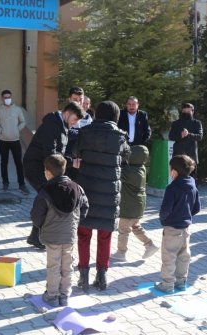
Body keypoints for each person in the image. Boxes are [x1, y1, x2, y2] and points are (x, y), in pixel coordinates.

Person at [73, 101, 130, 292]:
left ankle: (83, 276)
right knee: (105, 235)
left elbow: (76, 154)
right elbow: (127, 158)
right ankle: (102, 275)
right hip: (109, 192)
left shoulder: (85, 132)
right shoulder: (120, 136)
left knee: (84, 234)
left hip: (87, 189)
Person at [22, 101, 85, 249]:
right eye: (75, 119)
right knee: (48, 199)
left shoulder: (61, 125)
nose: (75, 124)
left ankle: (35, 236)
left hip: (46, 167)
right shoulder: (52, 125)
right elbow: (50, 155)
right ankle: (36, 236)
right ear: (67, 114)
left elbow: (58, 152)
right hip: (37, 167)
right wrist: (71, 162)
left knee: (47, 199)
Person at [31, 154, 88, 307]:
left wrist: (43, 226)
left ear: (48, 172)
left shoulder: (45, 191)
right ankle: (64, 295)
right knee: (67, 265)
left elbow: (36, 216)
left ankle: (52, 295)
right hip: (69, 235)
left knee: (53, 266)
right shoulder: (77, 187)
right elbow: (85, 208)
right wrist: (75, 223)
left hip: (52, 236)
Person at [154, 155, 200, 293]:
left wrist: (164, 220)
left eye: (170, 169)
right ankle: (181, 282)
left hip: (172, 229)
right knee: (183, 256)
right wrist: (186, 216)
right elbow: (197, 207)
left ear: (174, 171)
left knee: (169, 257)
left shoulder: (172, 188)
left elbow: (165, 210)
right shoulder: (192, 185)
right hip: (186, 228)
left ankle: (167, 285)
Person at [110, 145, 159, 262]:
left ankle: (121, 252)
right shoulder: (141, 168)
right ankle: (150, 245)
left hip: (129, 207)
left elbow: (116, 170)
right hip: (137, 205)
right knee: (136, 227)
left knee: (123, 229)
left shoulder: (129, 171)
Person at [0, 89, 29, 193]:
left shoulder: (17, 110)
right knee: (4, 162)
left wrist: (17, 129)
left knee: (18, 163)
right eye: (5, 97)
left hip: (15, 140)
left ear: (11, 97)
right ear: (2, 98)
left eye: (9, 97)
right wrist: (1, 130)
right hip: (3, 140)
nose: (7, 99)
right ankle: (5, 183)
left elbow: (23, 122)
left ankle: (22, 184)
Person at [169, 103, 203, 177]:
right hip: (178, 155)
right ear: (182, 111)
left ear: (192, 112)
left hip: (191, 156)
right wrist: (181, 135)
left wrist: (188, 134)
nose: (186, 113)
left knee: (191, 178)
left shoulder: (197, 123)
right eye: (184, 111)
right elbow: (171, 137)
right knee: (176, 178)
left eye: (188, 111)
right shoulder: (175, 123)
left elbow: (199, 137)